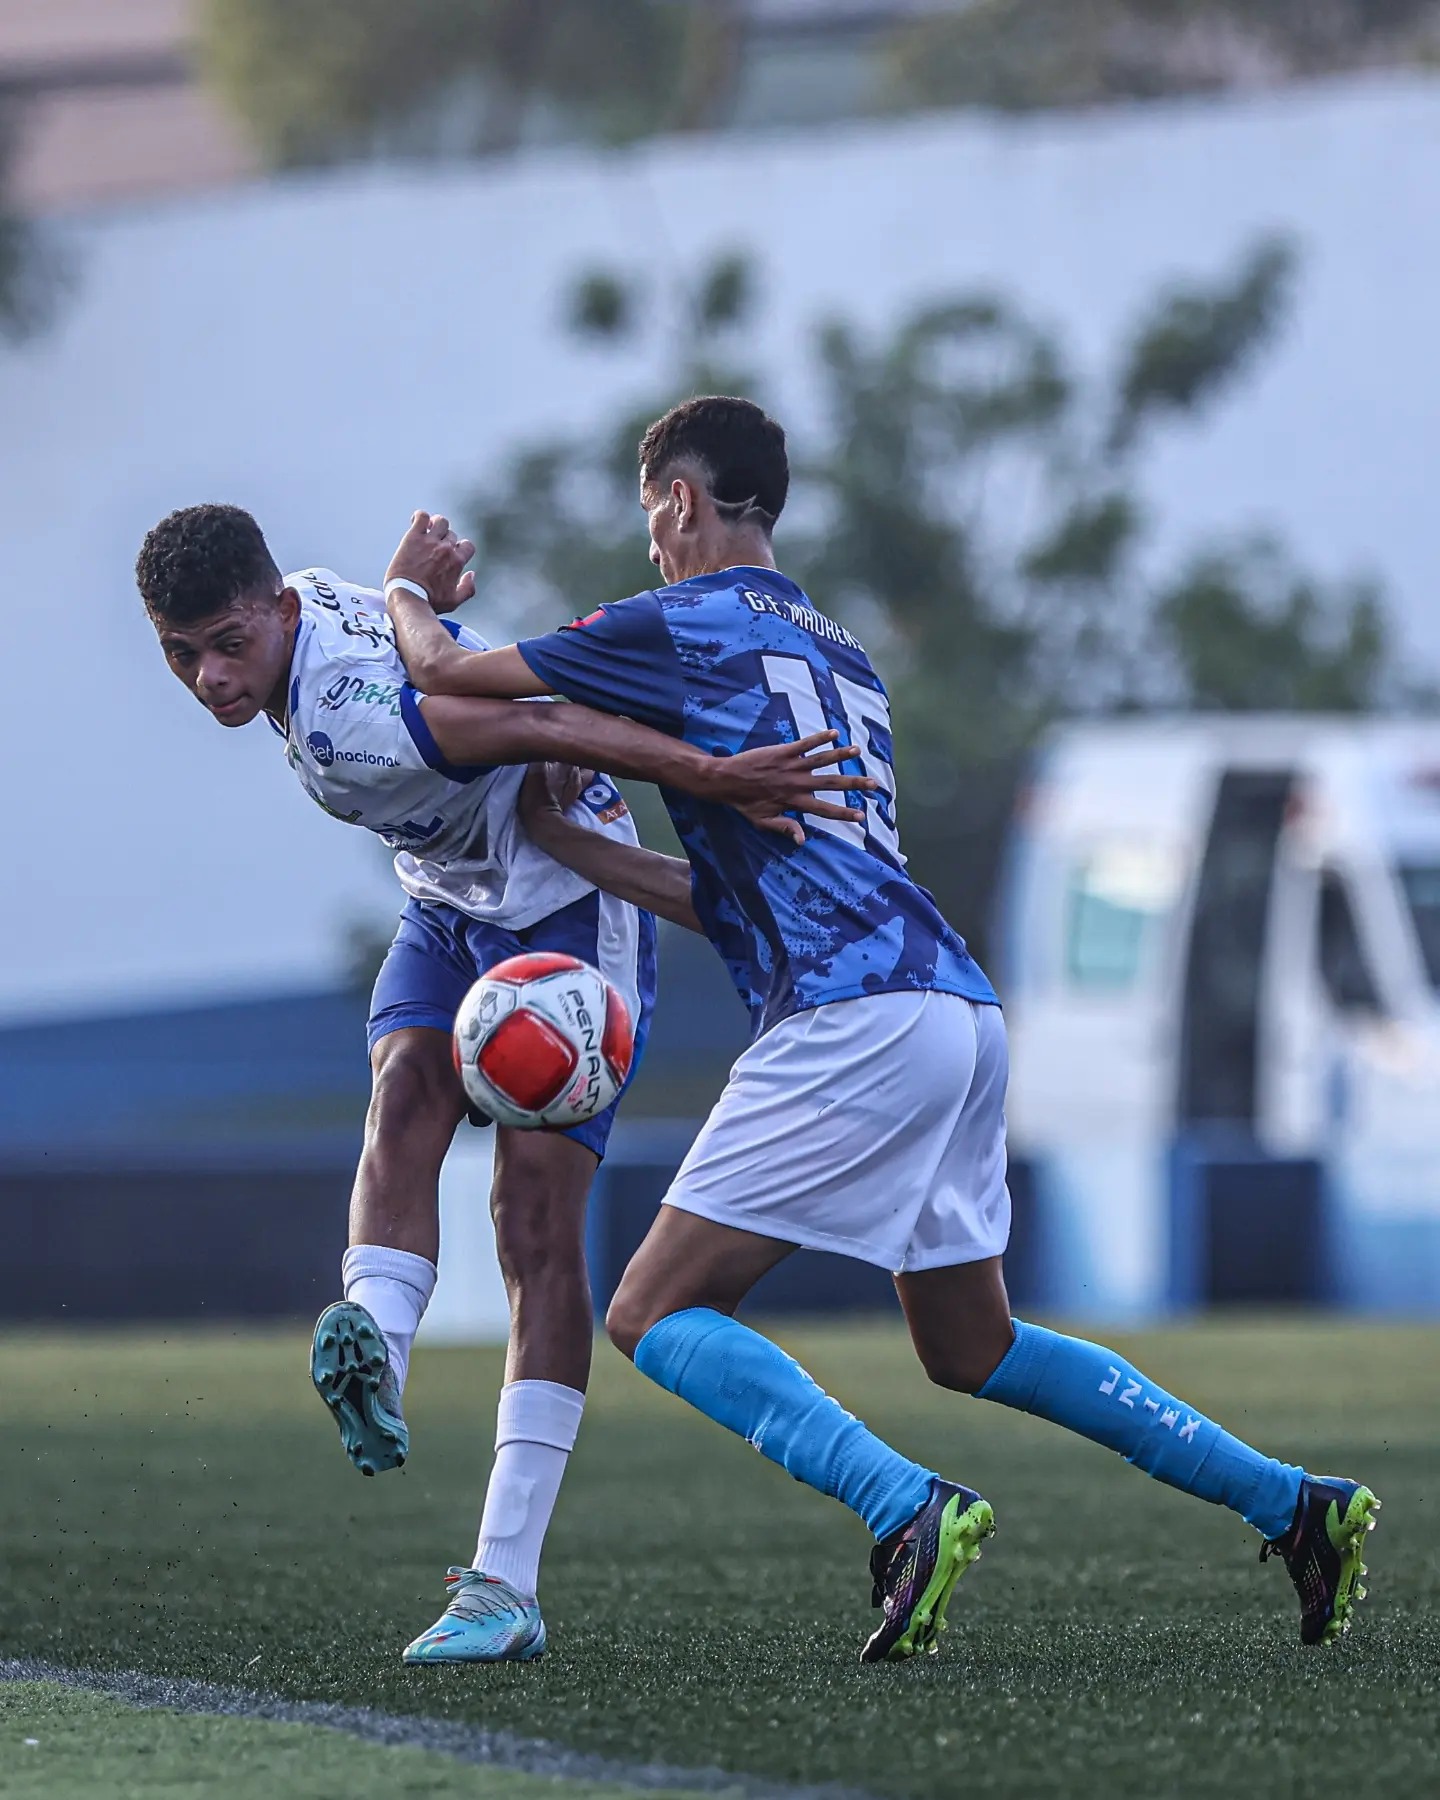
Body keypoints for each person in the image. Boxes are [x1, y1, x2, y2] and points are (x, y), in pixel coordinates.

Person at [379, 395, 1379, 1661]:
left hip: (853, 1020)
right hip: (955, 1009)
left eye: (651, 517)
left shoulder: (679, 621)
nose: (650, 546)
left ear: (682, 501)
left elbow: (450, 678)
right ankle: (1296, 1507)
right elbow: (746, 894)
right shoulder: (847, 656)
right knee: (973, 1344)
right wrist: (578, 845)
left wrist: (405, 592)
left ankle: (904, 1507)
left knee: (650, 1311)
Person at [135, 500, 871, 1665]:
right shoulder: (318, 603)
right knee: (403, 1095)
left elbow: (549, 723)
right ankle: (375, 1342)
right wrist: (405, 582)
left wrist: (713, 780)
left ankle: (506, 1584)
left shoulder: (352, 733)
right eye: (184, 656)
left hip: (568, 902)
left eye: (229, 644)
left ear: (279, 611)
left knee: (531, 1223)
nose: (213, 679)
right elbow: (395, 635)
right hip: (452, 892)